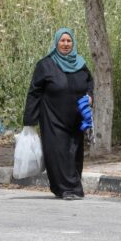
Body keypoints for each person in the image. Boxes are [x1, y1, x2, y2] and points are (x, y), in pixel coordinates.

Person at [23, 27, 93, 200]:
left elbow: (90, 83)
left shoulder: (80, 64)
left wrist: (90, 98)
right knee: (58, 153)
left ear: (73, 43)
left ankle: (74, 187)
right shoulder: (45, 65)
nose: (66, 44)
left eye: (69, 41)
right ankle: (66, 189)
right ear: (56, 42)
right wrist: (29, 120)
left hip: (76, 118)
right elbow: (34, 92)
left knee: (74, 153)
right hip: (52, 117)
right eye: (62, 41)